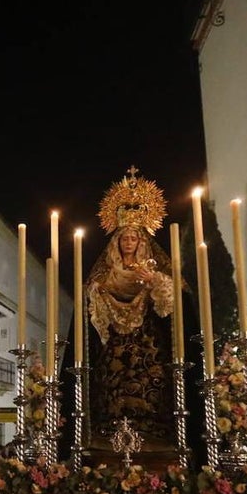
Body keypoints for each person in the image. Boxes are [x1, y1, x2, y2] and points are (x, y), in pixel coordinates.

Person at [85, 174, 177, 449]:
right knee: (111, 384)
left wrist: (154, 282)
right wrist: (96, 291)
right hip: (113, 341)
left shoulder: (151, 269)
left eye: (134, 238)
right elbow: (90, 297)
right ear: (117, 242)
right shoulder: (106, 272)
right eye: (124, 237)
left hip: (146, 340)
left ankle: (153, 432)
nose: (128, 242)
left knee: (151, 381)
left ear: (141, 241)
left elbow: (171, 298)